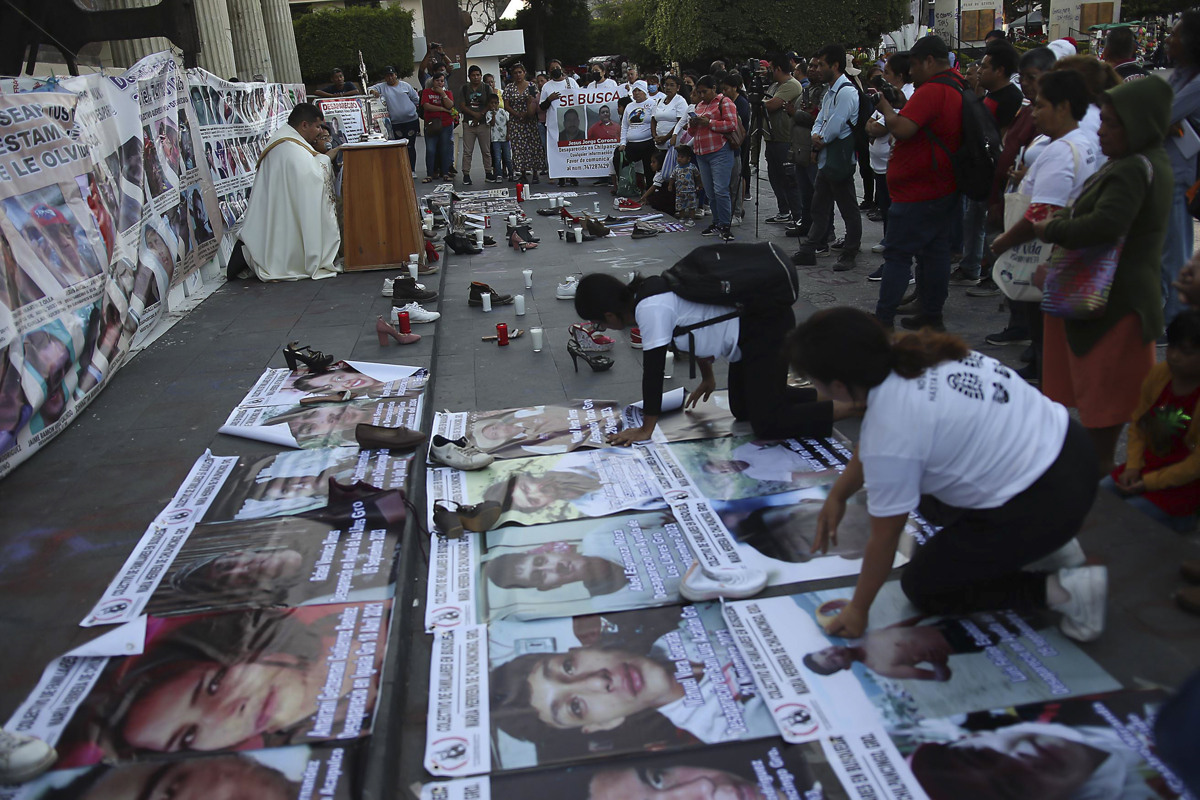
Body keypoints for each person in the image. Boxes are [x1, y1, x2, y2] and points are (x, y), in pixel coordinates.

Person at [785, 308, 1106, 643]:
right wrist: (838, 495)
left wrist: (858, 610)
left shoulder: (892, 429)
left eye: (813, 380)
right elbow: (872, 446)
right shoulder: (910, 352)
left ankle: (1067, 592)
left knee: (926, 587)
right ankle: (1054, 546)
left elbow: (884, 537)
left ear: (838, 385)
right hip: (1070, 450)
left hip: (1046, 500)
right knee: (929, 498)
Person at [1032, 76, 1174, 476]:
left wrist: (1053, 227)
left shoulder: (1133, 168)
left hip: (1113, 302)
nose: (1102, 130)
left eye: (1112, 123)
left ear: (1139, 125)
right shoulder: (1143, 161)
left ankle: (1102, 482)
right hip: (1113, 296)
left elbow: (1105, 225)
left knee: (1106, 397)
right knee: (1108, 394)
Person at [574, 268, 857, 447]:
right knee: (743, 408)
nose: (603, 328)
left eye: (599, 324)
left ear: (609, 314)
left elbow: (653, 370)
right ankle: (839, 396)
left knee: (767, 422)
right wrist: (708, 378)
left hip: (763, 328)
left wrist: (645, 429)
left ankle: (858, 406)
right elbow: (696, 323)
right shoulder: (646, 296)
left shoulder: (649, 310)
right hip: (746, 334)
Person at [989, 68, 1099, 384]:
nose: (1033, 114)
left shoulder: (1061, 152)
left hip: (1045, 253)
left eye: (1040, 106)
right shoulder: (1082, 141)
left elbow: (1041, 214)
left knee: (1043, 326)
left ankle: (1046, 378)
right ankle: (1043, 370)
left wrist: (1003, 241)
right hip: (1062, 251)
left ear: (1063, 107)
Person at [871, 35, 965, 331]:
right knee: (934, 253)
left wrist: (886, 106)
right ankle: (932, 314)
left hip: (918, 191)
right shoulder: (954, 85)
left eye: (913, 65)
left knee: (898, 255)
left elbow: (903, 128)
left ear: (928, 61)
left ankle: (883, 319)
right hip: (939, 186)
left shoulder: (934, 89)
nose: (910, 72)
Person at [1101, 309, 1200, 533]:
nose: (1173, 356)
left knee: (1125, 520)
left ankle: (1185, 521)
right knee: (1098, 498)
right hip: (1146, 467)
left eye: (1186, 352)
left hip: (1182, 486)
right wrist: (1133, 466)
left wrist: (1149, 483)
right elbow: (1139, 425)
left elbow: (1195, 466)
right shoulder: (1160, 374)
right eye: (1173, 347)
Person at [234, 103, 339, 282]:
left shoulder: (287, 141)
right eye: (317, 126)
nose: (320, 131)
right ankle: (296, 259)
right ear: (304, 125)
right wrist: (329, 157)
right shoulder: (289, 147)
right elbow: (312, 176)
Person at [952, 40, 1023, 288]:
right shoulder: (989, 96)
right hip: (980, 172)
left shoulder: (1012, 98)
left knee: (992, 224)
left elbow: (1004, 140)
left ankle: (994, 274)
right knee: (972, 221)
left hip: (996, 173)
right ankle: (971, 265)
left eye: (984, 67)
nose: (979, 71)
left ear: (1000, 70)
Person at [792, 44, 862, 272]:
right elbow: (821, 118)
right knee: (819, 206)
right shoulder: (831, 91)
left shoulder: (846, 92)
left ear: (835, 65)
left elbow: (835, 125)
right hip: (826, 157)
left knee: (847, 207)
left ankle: (850, 251)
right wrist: (816, 135)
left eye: (822, 64)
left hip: (839, 158)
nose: (818, 69)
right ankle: (809, 249)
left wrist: (819, 137)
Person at [1161, 12, 1200, 330]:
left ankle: (1175, 316)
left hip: (1179, 173)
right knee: (1165, 247)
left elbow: (1161, 113)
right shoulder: (1180, 74)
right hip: (1164, 169)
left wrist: (1161, 120)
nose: (1168, 39)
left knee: (1176, 249)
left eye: (1175, 34)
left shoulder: (1197, 81)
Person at [864, 52, 914, 279]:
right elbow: (870, 123)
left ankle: (897, 267)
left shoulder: (907, 96)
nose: (883, 77)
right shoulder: (889, 96)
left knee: (898, 218)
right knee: (887, 212)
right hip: (881, 164)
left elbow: (882, 127)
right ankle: (891, 255)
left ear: (900, 75)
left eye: (887, 73)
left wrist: (878, 125)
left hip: (895, 165)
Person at [687, 76, 739, 240]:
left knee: (720, 190)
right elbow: (691, 132)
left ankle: (725, 224)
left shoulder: (725, 102)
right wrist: (694, 124)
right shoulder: (700, 105)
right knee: (710, 191)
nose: (702, 95)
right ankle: (716, 222)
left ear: (714, 88)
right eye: (699, 92)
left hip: (720, 151)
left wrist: (709, 122)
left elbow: (731, 124)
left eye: (705, 91)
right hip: (702, 152)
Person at [486, 544, 629, 595]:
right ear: (550, 587)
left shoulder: (601, 535)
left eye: (540, 560)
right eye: (539, 576)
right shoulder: (606, 603)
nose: (553, 567)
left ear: (548, 551)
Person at [763, 55, 805, 227]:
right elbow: (766, 103)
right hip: (771, 138)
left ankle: (798, 214)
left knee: (789, 179)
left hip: (785, 138)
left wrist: (763, 102)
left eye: (770, 68)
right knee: (774, 177)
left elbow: (771, 105)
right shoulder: (775, 86)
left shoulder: (792, 85)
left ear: (778, 69)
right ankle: (784, 210)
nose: (768, 71)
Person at [540, 60, 581, 186]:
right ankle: (561, 177)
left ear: (561, 68)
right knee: (557, 152)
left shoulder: (571, 82)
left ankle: (573, 176)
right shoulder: (547, 86)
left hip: (571, 123)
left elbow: (580, 98)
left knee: (571, 150)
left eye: (557, 67)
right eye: (552, 68)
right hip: (554, 124)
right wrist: (549, 99)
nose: (555, 70)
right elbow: (542, 106)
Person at [503, 63, 546, 184]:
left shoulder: (532, 86)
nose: (518, 75)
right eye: (515, 73)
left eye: (520, 72)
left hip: (530, 120)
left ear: (524, 73)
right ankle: (522, 172)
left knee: (533, 146)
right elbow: (506, 105)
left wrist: (527, 113)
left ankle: (535, 172)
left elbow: (534, 101)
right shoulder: (509, 88)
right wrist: (517, 114)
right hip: (516, 121)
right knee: (518, 147)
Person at [721, 72, 751, 225]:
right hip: (726, 144)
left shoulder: (741, 102)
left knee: (738, 177)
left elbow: (739, 121)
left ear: (735, 88)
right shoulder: (725, 101)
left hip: (739, 141)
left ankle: (738, 210)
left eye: (726, 89)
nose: (724, 92)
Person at [458, 65, 495, 185]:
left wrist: (481, 114)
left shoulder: (486, 88)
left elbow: (491, 103)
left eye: (478, 75)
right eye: (473, 75)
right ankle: (466, 174)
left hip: (483, 123)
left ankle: (489, 172)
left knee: (486, 150)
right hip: (468, 123)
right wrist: (474, 114)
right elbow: (462, 105)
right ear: (469, 76)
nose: (476, 77)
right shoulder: (464, 89)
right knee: (467, 151)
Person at [618, 81, 658, 193]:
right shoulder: (629, 106)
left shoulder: (652, 103)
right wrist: (623, 143)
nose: (636, 93)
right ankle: (625, 186)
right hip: (632, 143)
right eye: (634, 90)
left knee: (649, 167)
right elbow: (624, 126)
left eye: (639, 90)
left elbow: (655, 122)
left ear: (645, 91)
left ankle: (649, 191)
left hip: (647, 142)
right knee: (618, 158)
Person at [420, 73, 455, 183]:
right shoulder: (426, 92)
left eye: (442, 81)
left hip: (446, 124)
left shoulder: (447, 93)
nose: (440, 83)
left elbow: (450, 105)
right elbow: (426, 106)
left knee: (444, 149)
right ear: (433, 81)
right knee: (431, 150)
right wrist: (443, 109)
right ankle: (430, 174)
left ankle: (445, 173)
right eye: (437, 81)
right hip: (431, 124)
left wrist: (442, 94)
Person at [669, 144, 700, 226]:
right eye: (678, 157)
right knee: (680, 205)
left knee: (691, 206)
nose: (679, 159)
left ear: (688, 159)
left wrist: (699, 184)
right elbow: (672, 177)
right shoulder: (676, 168)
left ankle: (691, 219)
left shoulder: (692, 167)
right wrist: (670, 185)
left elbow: (697, 176)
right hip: (680, 191)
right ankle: (681, 217)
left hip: (690, 190)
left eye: (682, 157)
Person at [486, 94, 512, 182]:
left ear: (498, 103)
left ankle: (511, 173)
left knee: (507, 157)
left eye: (495, 103)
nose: (493, 105)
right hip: (495, 139)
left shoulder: (503, 111)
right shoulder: (488, 114)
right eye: (491, 103)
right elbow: (492, 123)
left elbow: (508, 122)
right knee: (497, 158)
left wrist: (508, 134)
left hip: (504, 138)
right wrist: (493, 114)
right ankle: (499, 174)